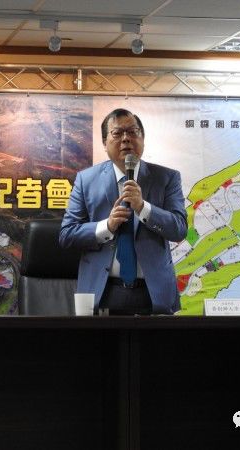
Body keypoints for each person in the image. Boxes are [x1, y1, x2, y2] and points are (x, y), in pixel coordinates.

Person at [59, 108, 187, 314]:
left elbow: (179, 229)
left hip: (153, 293)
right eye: (117, 133)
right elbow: (67, 234)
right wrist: (106, 227)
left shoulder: (166, 178)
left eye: (133, 132)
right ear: (104, 143)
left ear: (143, 139)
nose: (126, 139)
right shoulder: (86, 180)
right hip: (102, 292)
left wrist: (143, 208)